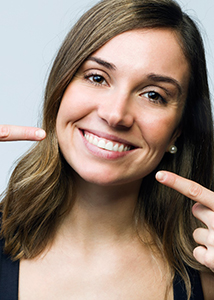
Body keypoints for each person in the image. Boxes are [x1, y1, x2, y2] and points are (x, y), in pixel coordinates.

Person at [0, 0, 214, 299]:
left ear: (177, 130)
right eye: (97, 77)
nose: (115, 114)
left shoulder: (206, 270)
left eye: (153, 95)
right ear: (60, 88)